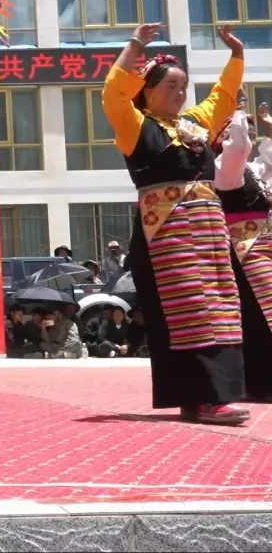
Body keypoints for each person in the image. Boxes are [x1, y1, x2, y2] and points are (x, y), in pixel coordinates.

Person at [101, 21, 247, 424]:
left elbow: (222, 96)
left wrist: (236, 55)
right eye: (170, 86)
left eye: (184, 87)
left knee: (220, 304)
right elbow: (112, 93)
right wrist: (135, 45)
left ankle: (208, 395)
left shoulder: (194, 124)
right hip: (167, 235)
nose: (180, 93)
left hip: (209, 233)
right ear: (147, 90)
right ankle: (204, 398)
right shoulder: (135, 125)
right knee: (190, 309)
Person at [214, 109, 272, 401]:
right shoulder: (223, 167)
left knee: (262, 315)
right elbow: (237, 147)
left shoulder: (250, 169)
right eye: (243, 132)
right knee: (257, 316)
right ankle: (260, 384)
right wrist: (236, 110)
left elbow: (267, 162)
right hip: (243, 250)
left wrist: (270, 132)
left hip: (261, 247)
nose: (249, 137)